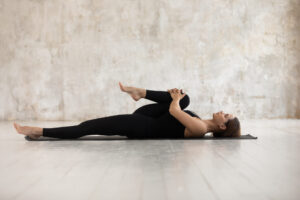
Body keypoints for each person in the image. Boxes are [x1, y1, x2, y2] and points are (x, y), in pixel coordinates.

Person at [13, 82, 241, 140]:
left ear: (222, 127)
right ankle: (138, 92)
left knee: (88, 127)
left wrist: (175, 99)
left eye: (226, 115)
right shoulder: (200, 120)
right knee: (187, 98)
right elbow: (173, 108)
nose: (223, 111)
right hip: (146, 118)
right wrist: (180, 97)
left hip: (142, 127)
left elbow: (173, 111)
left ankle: (39, 131)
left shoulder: (200, 128)